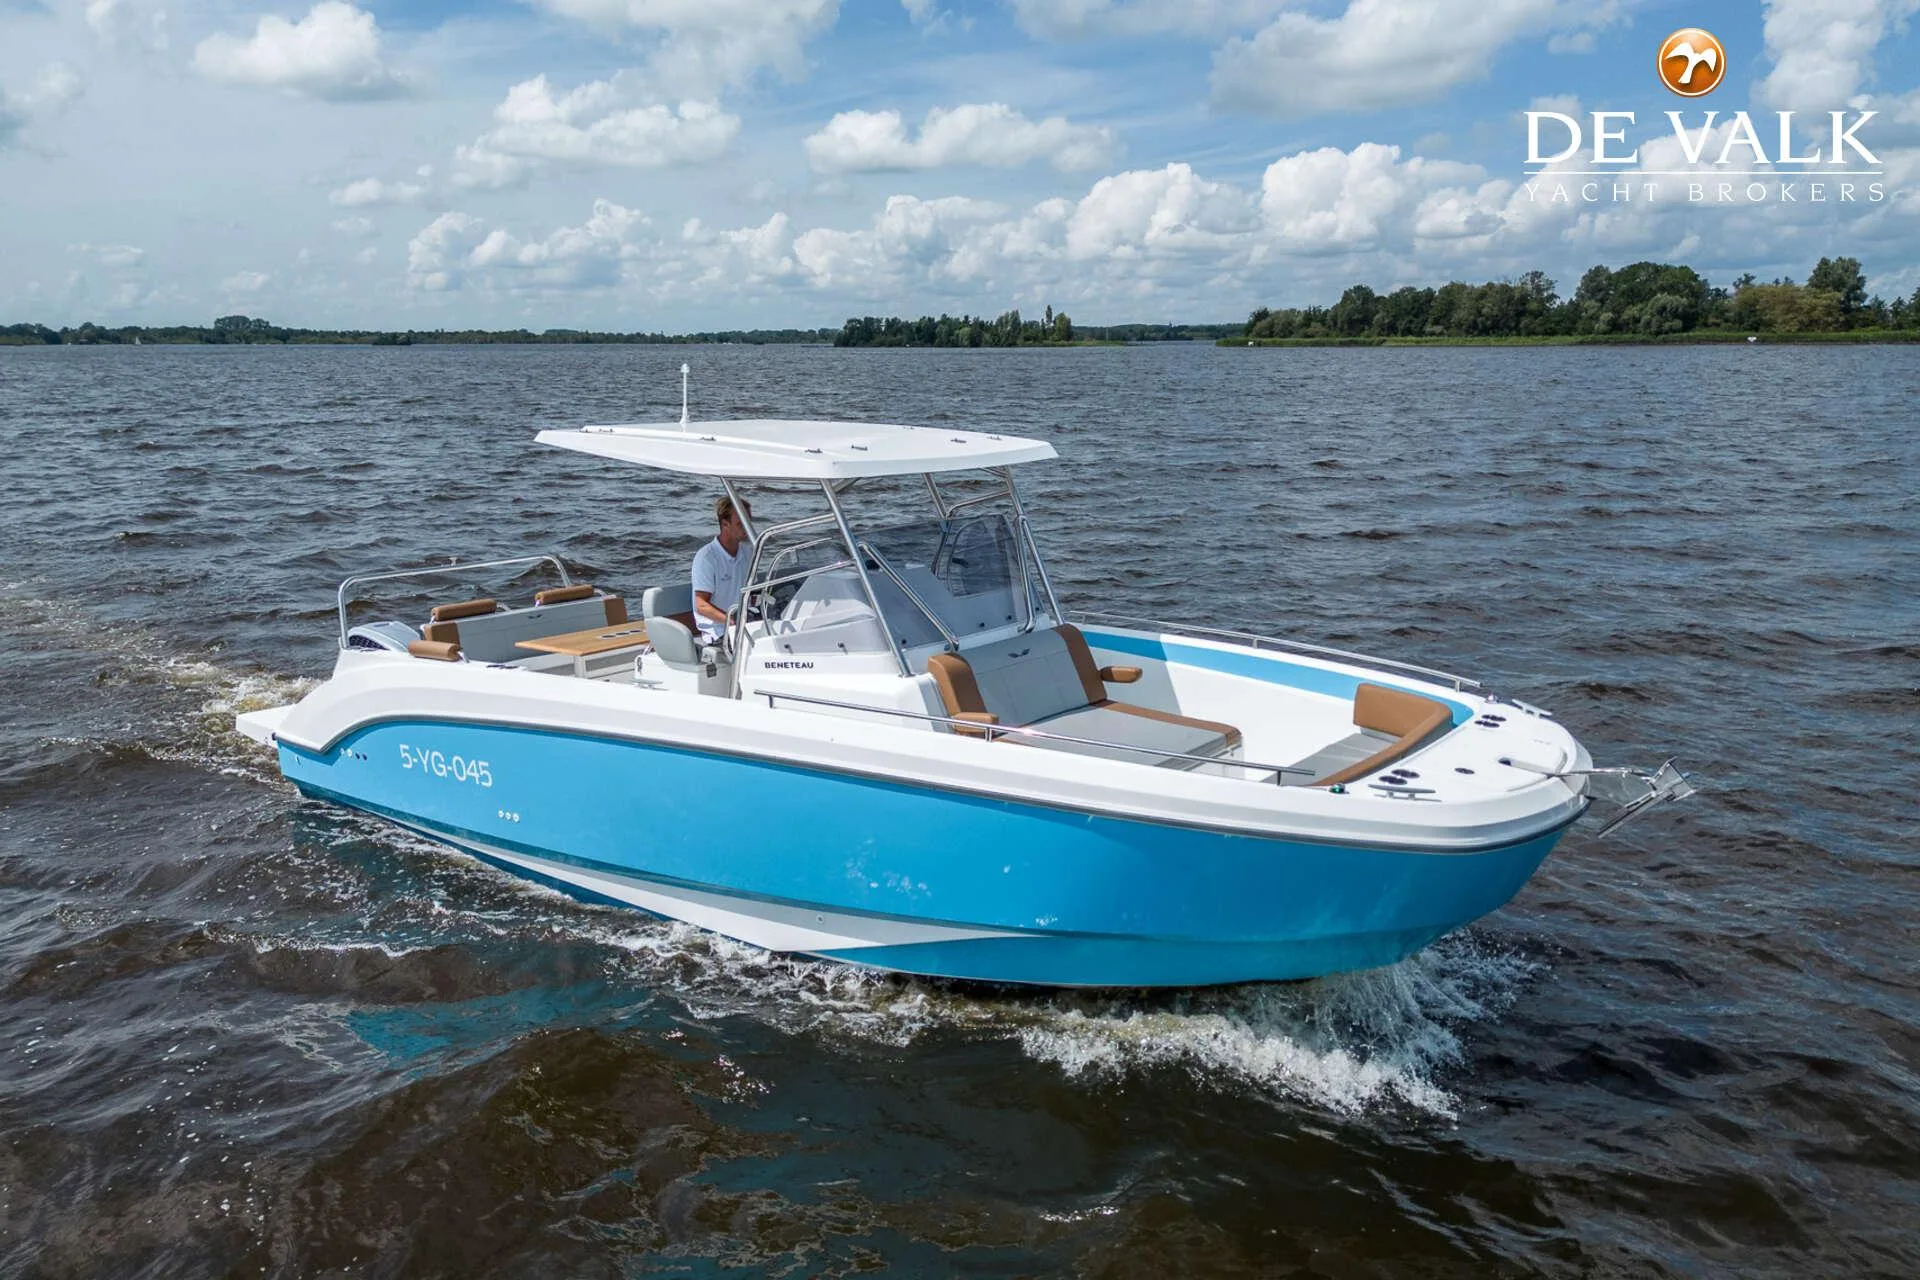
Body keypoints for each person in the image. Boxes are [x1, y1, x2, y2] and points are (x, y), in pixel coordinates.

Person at [691, 494, 753, 644]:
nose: (748, 527)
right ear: (725, 524)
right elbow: (701, 605)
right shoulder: (706, 558)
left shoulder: (748, 552)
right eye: (741, 523)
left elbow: (752, 591)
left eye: (749, 521)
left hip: (744, 624)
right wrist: (732, 622)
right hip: (718, 632)